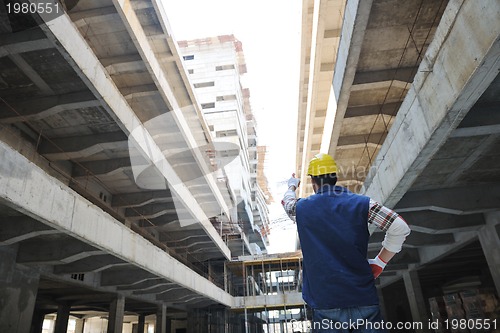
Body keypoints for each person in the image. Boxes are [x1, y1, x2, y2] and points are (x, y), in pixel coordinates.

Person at [282, 153, 411, 332]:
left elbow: (287, 203)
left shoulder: (302, 208)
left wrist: (291, 186)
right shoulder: (362, 203)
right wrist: (380, 263)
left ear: (313, 182)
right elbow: (400, 227)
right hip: (363, 298)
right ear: (335, 177)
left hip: (325, 303)